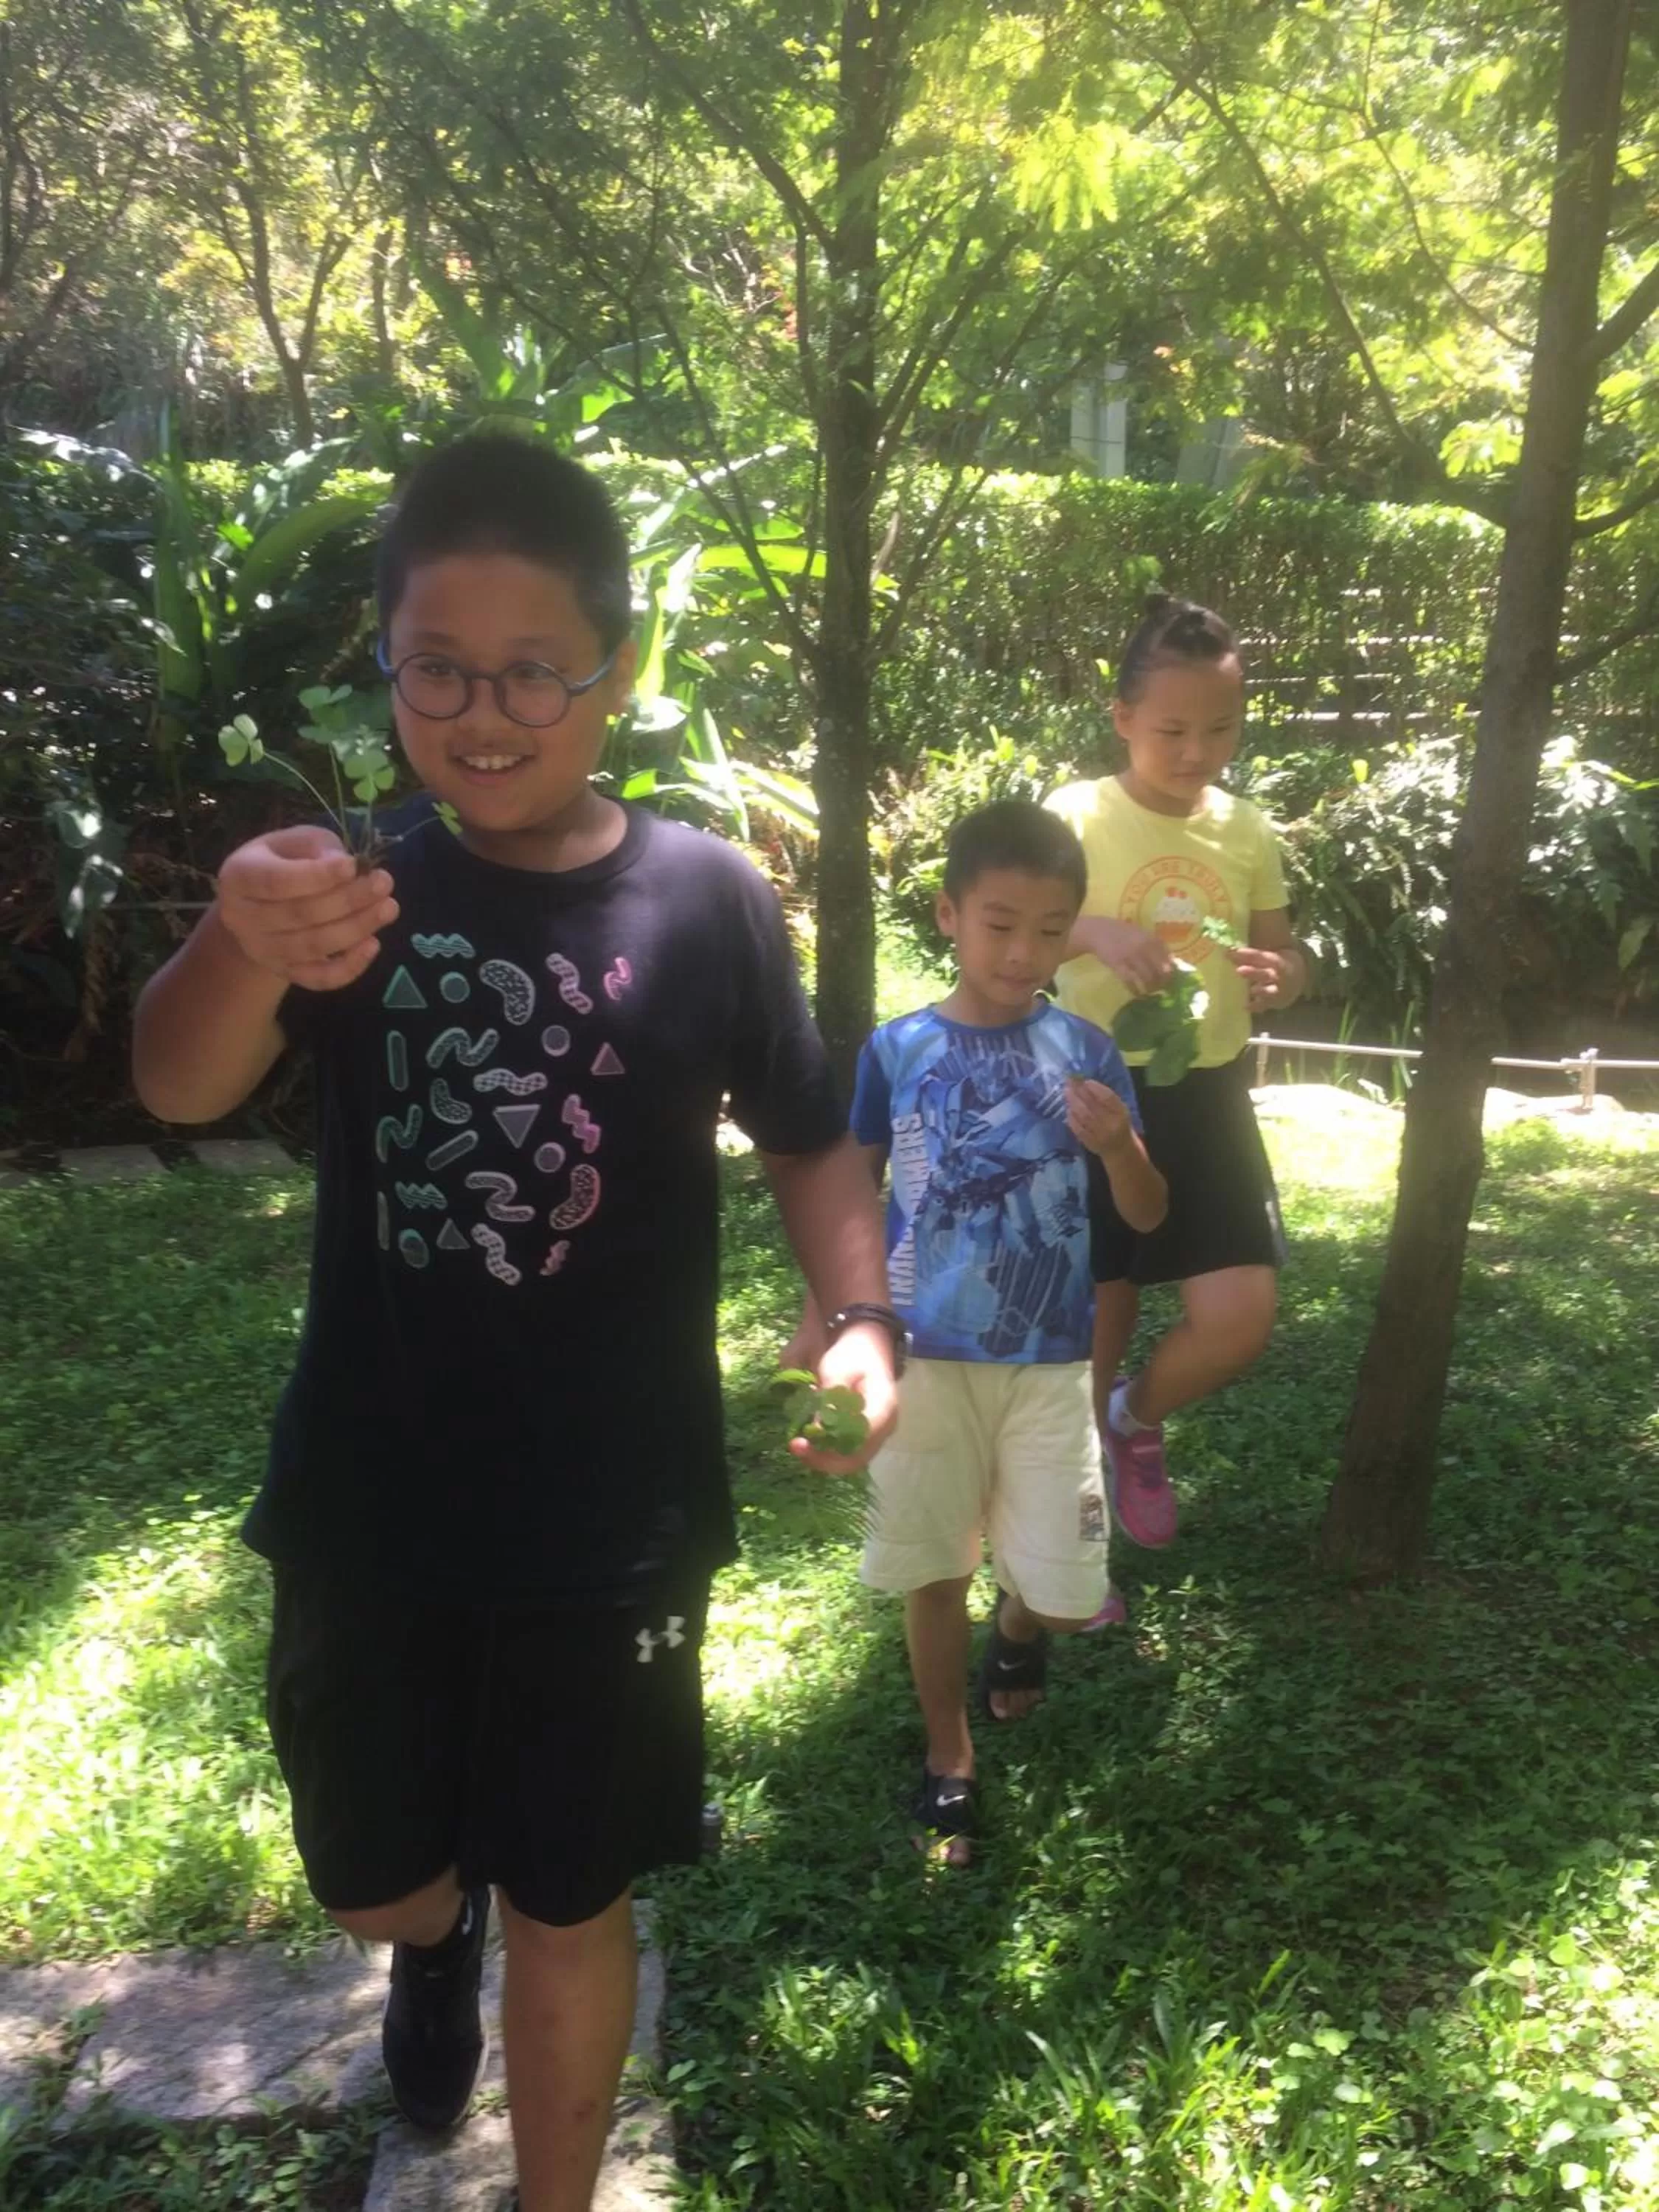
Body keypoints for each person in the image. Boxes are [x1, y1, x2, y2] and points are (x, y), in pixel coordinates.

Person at [131, 434, 902, 2212]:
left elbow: (808, 1137)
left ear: (615, 668)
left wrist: (857, 1304)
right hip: (369, 1503)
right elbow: (177, 1083)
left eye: (535, 669)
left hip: (612, 1522)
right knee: (375, 1878)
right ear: (386, 663)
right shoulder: (348, 892)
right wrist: (242, 941)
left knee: (579, 1891)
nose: (487, 713)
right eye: (438, 668)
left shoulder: (709, 899)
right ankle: (425, 1939)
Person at [787, 800, 1166, 1864]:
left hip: (1051, 1363)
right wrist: (819, 1321)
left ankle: (1017, 1639)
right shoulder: (896, 1048)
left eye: (1051, 931)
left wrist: (1117, 1150)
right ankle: (947, 1753)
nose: (1023, 952)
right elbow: (851, 1195)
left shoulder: (1087, 1051)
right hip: (923, 1360)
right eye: (1000, 924)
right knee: (932, 1567)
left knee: (1061, 1587)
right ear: (950, 915)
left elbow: (1143, 1215)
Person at [1046, 594, 1307, 1553]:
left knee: (1239, 1317)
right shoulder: (1073, 815)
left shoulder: (1245, 829)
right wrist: (1091, 930)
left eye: (1219, 728)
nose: (1196, 750)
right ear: (1120, 719)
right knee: (1094, 1319)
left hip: (1206, 1092)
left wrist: (1285, 974)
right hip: (1089, 1098)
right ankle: (1066, 1549)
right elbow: (1014, 935)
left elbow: (1286, 953)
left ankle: (1134, 1421)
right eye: (1170, 729)